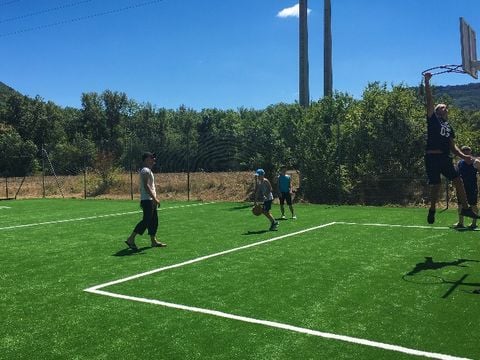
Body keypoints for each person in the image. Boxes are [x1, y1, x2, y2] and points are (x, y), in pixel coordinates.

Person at [423, 72, 479, 224]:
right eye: (443, 108)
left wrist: (464, 157)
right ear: (436, 111)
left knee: (458, 180)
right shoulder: (433, 119)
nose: (446, 109)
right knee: (436, 185)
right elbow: (429, 100)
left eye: (446, 108)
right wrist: (427, 82)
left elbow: (453, 147)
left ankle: (466, 208)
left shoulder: (449, 127)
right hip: (432, 157)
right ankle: (432, 208)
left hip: (444, 158)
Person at [125, 152, 166, 250]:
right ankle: (131, 239)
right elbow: (146, 186)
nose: (154, 159)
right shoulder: (145, 170)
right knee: (146, 221)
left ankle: (153, 241)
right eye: (151, 157)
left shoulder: (148, 170)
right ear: (146, 159)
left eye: (154, 157)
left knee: (154, 221)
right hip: (147, 200)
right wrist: (155, 198)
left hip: (150, 200)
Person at [454, 146, 478, 229]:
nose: (466, 152)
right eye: (464, 151)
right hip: (461, 187)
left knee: (473, 204)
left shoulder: (475, 161)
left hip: (472, 186)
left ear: (470, 151)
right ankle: (460, 223)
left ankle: (474, 223)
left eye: (467, 150)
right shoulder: (460, 162)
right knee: (460, 204)